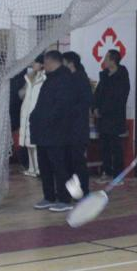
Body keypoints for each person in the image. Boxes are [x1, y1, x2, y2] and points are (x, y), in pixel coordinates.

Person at [30, 51, 75, 212]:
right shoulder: (49, 79)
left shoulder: (65, 79)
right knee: (45, 166)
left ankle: (64, 199)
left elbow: (61, 107)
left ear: (51, 62)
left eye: (45, 63)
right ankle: (49, 196)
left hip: (57, 133)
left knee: (59, 166)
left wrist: (47, 120)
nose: (43, 66)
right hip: (43, 132)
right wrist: (35, 117)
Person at [93, 49, 130, 179]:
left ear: (113, 61)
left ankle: (118, 174)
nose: (104, 61)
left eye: (106, 58)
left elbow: (119, 98)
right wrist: (95, 108)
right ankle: (106, 171)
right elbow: (98, 94)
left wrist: (104, 110)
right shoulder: (104, 76)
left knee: (116, 147)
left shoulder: (122, 76)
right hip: (102, 119)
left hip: (115, 118)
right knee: (104, 147)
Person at [63, 51, 93, 195]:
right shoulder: (68, 79)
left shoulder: (80, 79)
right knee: (69, 160)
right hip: (68, 128)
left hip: (78, 128)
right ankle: (72, 190)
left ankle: (84, 189)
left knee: (78, 160)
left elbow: (85, 102)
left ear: (71, 63)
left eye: (64, 62)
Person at [18, 56, 46, 178]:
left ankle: (38, 169)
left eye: (35, 63)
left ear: (42, 64)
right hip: (26, 111)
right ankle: (31, 168)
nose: (33, 65)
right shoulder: (30, 77)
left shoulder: (44, 78)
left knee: (34, 143)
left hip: (36, 112)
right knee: (28, 142)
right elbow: (23, 94)